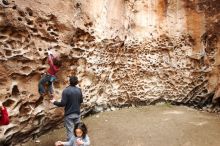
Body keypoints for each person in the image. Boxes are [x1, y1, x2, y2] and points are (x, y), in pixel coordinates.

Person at [51, 76, 83, 140]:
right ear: (77, 82)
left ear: (69, 81)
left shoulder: (66, 91)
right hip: (77, 113)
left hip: (69, 114)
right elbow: (81, 101)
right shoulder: (79, 90)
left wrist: (54, 102)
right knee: (78, 130)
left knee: (70, 132)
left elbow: (63, 103)